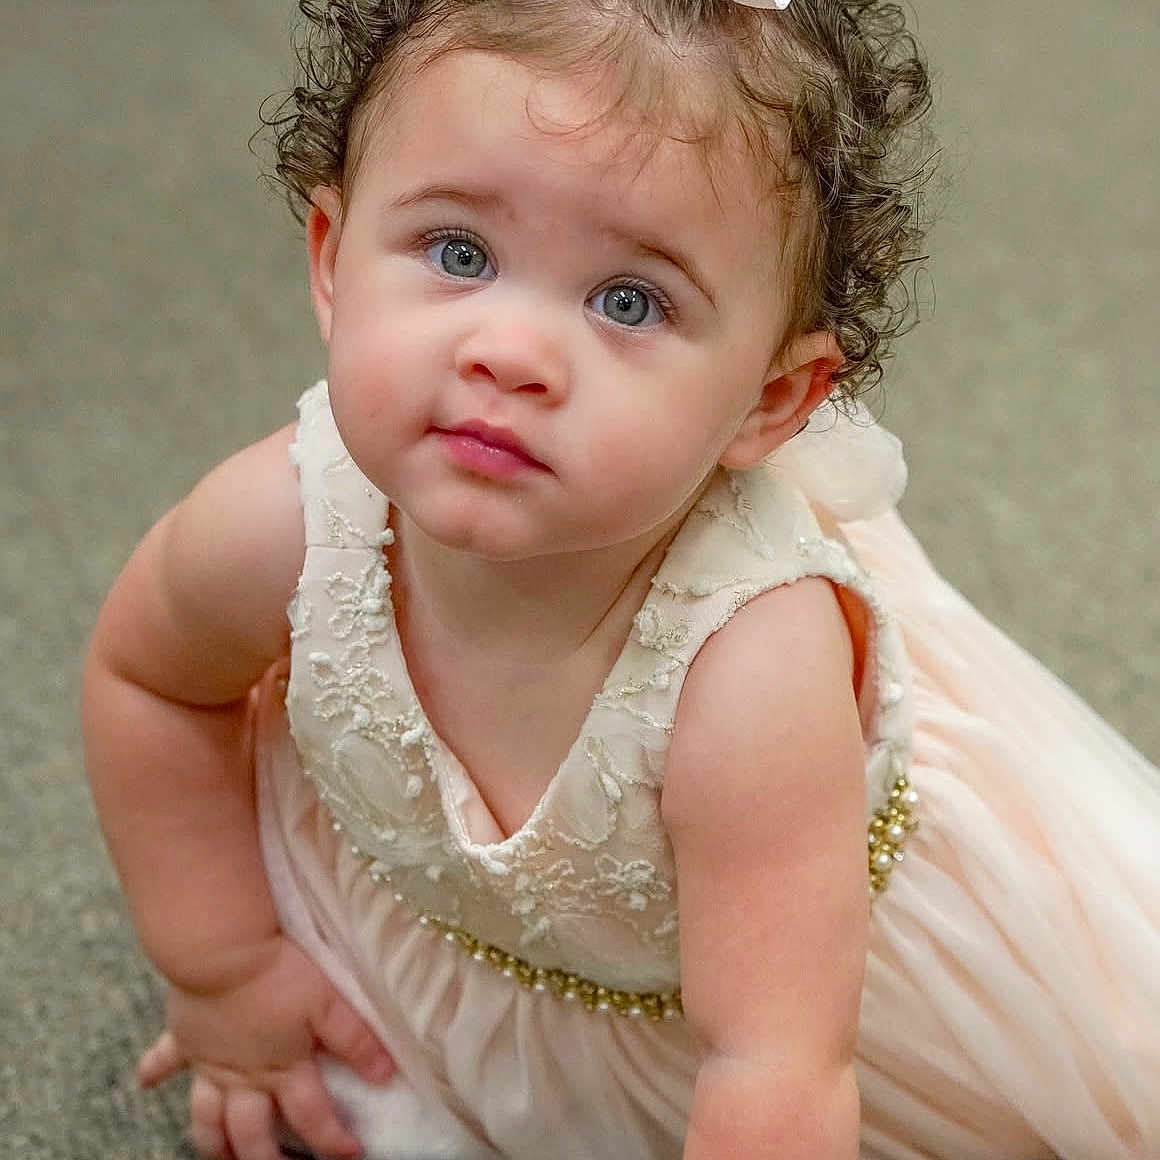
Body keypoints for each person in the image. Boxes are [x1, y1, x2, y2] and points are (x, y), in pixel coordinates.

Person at [81, 0, 1160, 1157]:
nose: (510, 352)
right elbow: (149, 680)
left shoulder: (748, 674)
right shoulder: (279, 519)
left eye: (627, 301)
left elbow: (778, 1062)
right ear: (333, 261)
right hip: (442, 919)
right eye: (459, 253)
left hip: (763, 984)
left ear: (768, 401)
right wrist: (224, 963)